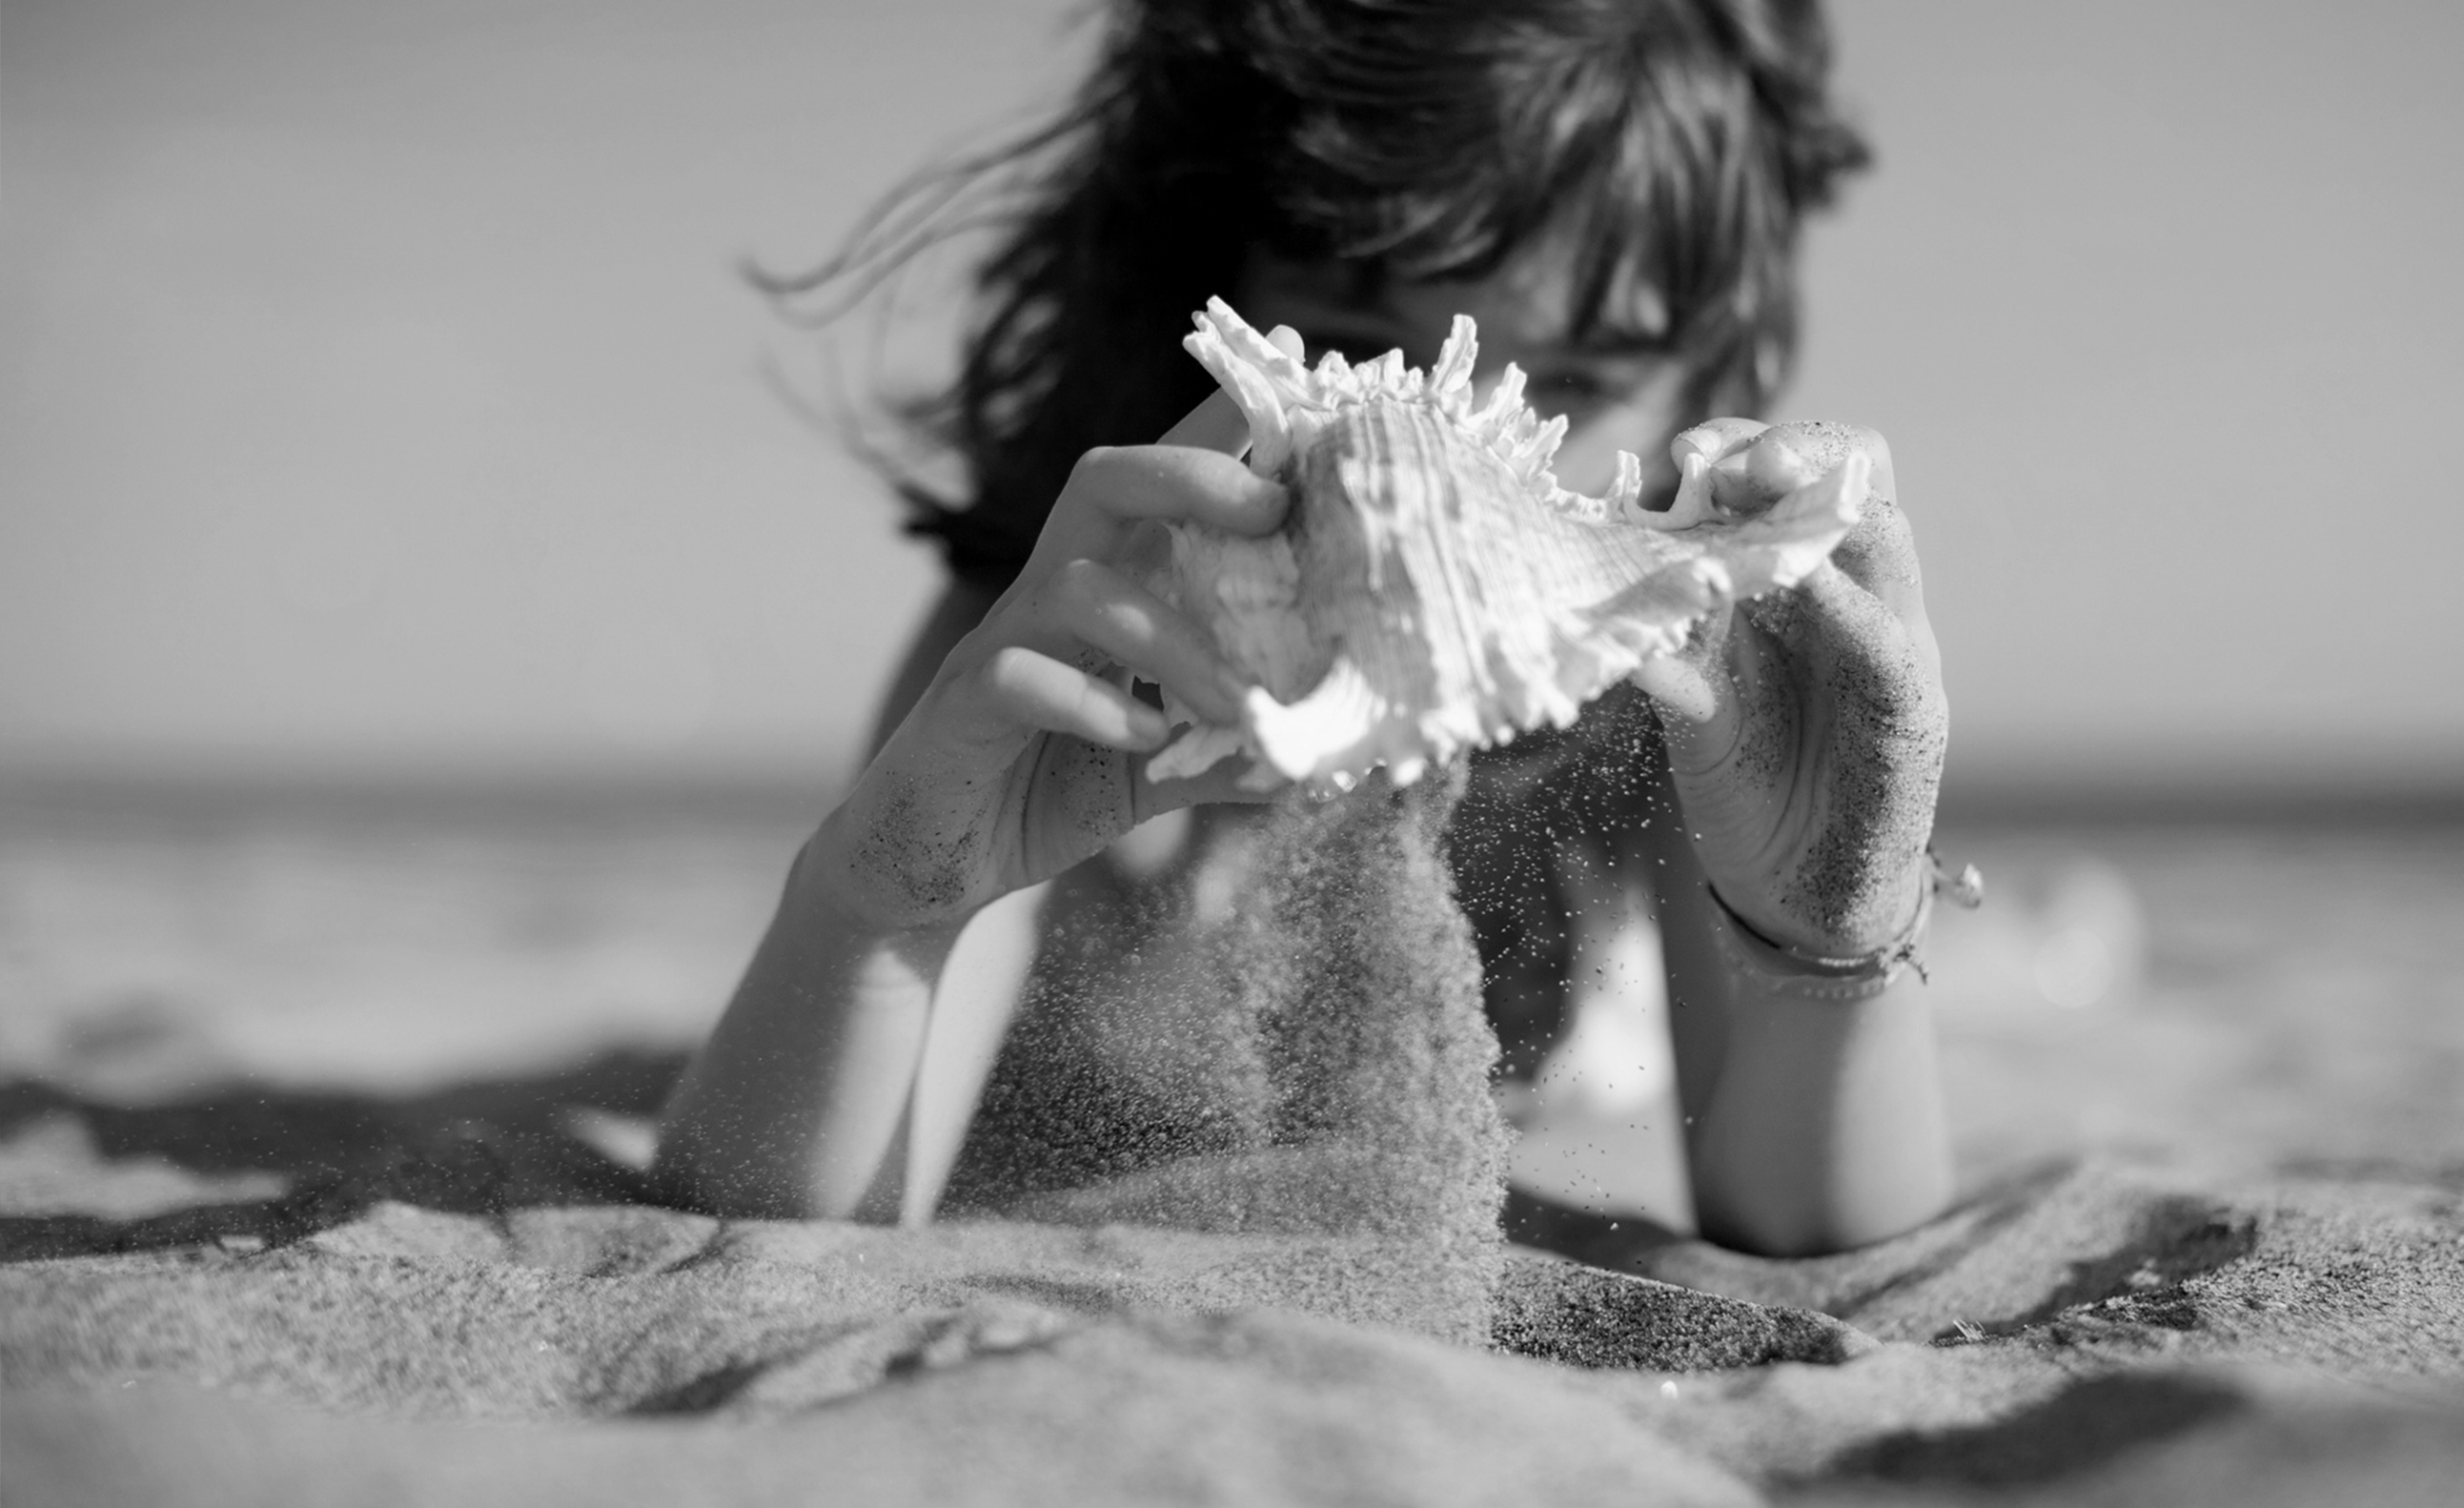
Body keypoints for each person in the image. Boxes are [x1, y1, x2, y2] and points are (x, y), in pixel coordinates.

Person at [654, 0, 1955, 1258]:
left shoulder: (1669, 694)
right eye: (1353, 345)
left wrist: (1838, 924)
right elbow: (785, 1231)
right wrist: (880, 910)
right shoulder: (1071, 637)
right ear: (1203, 319)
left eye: (1574, 376)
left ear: (1706, 385)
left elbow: (1798, 1223)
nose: (1456, 448)